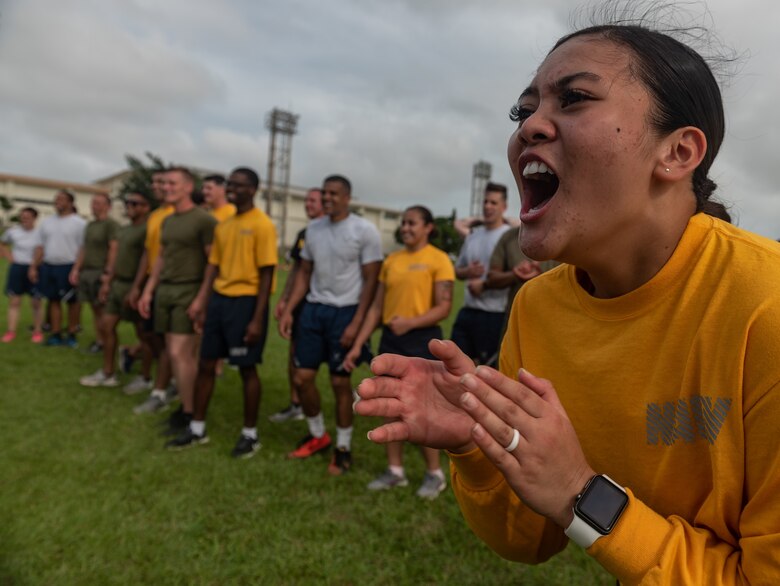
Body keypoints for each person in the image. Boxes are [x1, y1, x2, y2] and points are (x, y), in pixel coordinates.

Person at [355, 15, 780, 584]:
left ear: (678, 153)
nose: (530, 125)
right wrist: (478, 445)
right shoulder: (538, 307)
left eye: (574, 97)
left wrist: (583, 493)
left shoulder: (765, 308)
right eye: (523, 111)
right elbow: (529, 537)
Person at [343, 206, 454, 499]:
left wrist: (410, 323)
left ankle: (435, 474)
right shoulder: (392, 261)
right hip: (392, 340)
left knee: (424, 409)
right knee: (388, 406)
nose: (405, 227)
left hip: (422, 340)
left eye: (412, 223)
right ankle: (395, 471)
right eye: (403, 223)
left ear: (428, 227)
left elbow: (444, 307)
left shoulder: (439, 259)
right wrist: (357, 345)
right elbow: (377, 308)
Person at [166, 167, 277, 458]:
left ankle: (250, 434)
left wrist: (256, 319)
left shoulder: (262, 224)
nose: (232, 189)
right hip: (220, 301)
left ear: (253, 189)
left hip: (246, 303)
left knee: (246, 368)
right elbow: (212, 267)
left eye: (239, 185)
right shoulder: (224, 225)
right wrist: (203, 302)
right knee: (205, 364)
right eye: (231, 184)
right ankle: (197, 428)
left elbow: (267, 275)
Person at [279, 175, 382, 475]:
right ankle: (317, 435)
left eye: (333, 193)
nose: (327, 198)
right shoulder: (313, 229)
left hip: (346, 312)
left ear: (347, 197)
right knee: (302, 377)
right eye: (324, 193)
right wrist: (289, 310)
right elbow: (303, 273)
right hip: (313, 310)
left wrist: (357, 322)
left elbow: (371, 281)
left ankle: (343, 447)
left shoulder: (364, 230)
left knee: (340, 383)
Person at [139, 167, 217, 435]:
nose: (167, 187)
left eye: (173, 183)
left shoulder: (203, 221)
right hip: (166, 291)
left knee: (179, 354)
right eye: (165, 183)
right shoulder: (168, 220)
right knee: (174, 353)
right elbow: (161, 257)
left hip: (189, 291)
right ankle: (187, 408)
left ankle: (190, 413)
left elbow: (212, 263)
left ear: (187, 186)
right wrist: (149, 290)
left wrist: (201, 298)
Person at [79, 193, 152, 389]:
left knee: (143, 335)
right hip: (117, 284)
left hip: (135, 285)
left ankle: (145, 377)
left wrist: (138, 288)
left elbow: (148, 260)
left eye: (135, 203)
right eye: (128, 203)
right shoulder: (124, 230)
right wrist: (107, 281)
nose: (130, 206)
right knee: (106, 325)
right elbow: (115, 257)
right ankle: (108, 373)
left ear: (146, 208)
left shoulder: (148, 230)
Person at [270, 187, 325, 422]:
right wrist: (284, 300)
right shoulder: (305, 232)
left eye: (313, 200)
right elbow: (296, 270)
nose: (307, 204)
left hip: (330, 306)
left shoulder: (340, 231)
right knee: (294, 354)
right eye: (306, 200)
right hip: (302, 303)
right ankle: (296, 404)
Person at [129, 169, 177, 415]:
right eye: (156, 183)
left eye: (164, 182)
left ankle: (162, 387)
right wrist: (139, 285)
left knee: (168, 339)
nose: (159, 187)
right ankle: (162, 376)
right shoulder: (156, 216)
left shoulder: (179, 214)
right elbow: (149, 253)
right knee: (148, 334)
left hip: (172, 283)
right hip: (152, 280)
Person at [450, 183, 511, 366]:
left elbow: (517, 273)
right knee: (454, 366)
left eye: (493, 202)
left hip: (494, 313)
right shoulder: (473, 236)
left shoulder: (509, 236)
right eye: (485, 201)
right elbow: (457, 271)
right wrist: (468, 271)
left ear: (504, 207)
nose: (488, 206)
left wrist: (484, 284)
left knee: (485, 372)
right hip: (467, 310)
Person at [29, 190, 87, 348]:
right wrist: (34, 267)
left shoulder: (79, 223)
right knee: (53, 300)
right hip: (49, 265)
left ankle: (72, 333)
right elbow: (40, 247)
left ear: (70, 203)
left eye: (62, 199)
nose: (58, 202)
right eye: (56, 199)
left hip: (69, 266)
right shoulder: (47, 223)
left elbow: (83, 248)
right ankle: (55, 334)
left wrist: (76, 268)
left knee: (72, 302)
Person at [70, 193, 120, 353]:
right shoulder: (90, 225)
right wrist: (76, 268)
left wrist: (108, 271)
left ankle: (108, 342)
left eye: (98, 203)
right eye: (93, 203)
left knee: (103, 309)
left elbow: (114, 248)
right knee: (94, 309)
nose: (94, 206)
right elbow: (84, 248)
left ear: (108, 206)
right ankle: (100, 341)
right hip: (87, 271)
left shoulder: (111, 225)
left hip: (100, 271)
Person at [485, 225, 558, 334]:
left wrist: (541, 278)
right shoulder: (509, 237)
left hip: (554, 324)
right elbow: (492, 278)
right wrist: (515, 275)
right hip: (515, 324)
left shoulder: (567, 236)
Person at [1, 207, 44, 343]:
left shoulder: (40, 233)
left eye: (27, 217)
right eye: (22, 217)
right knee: (14, 301)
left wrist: (34, 266)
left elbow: (41, 250)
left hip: (35, 268)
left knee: (36, 302)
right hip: (17, 268)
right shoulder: (12, 231)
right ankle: (11, 332)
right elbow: (2, 244)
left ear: (34, 218)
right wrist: (10, 257)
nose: (24, 219)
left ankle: (37, 331)